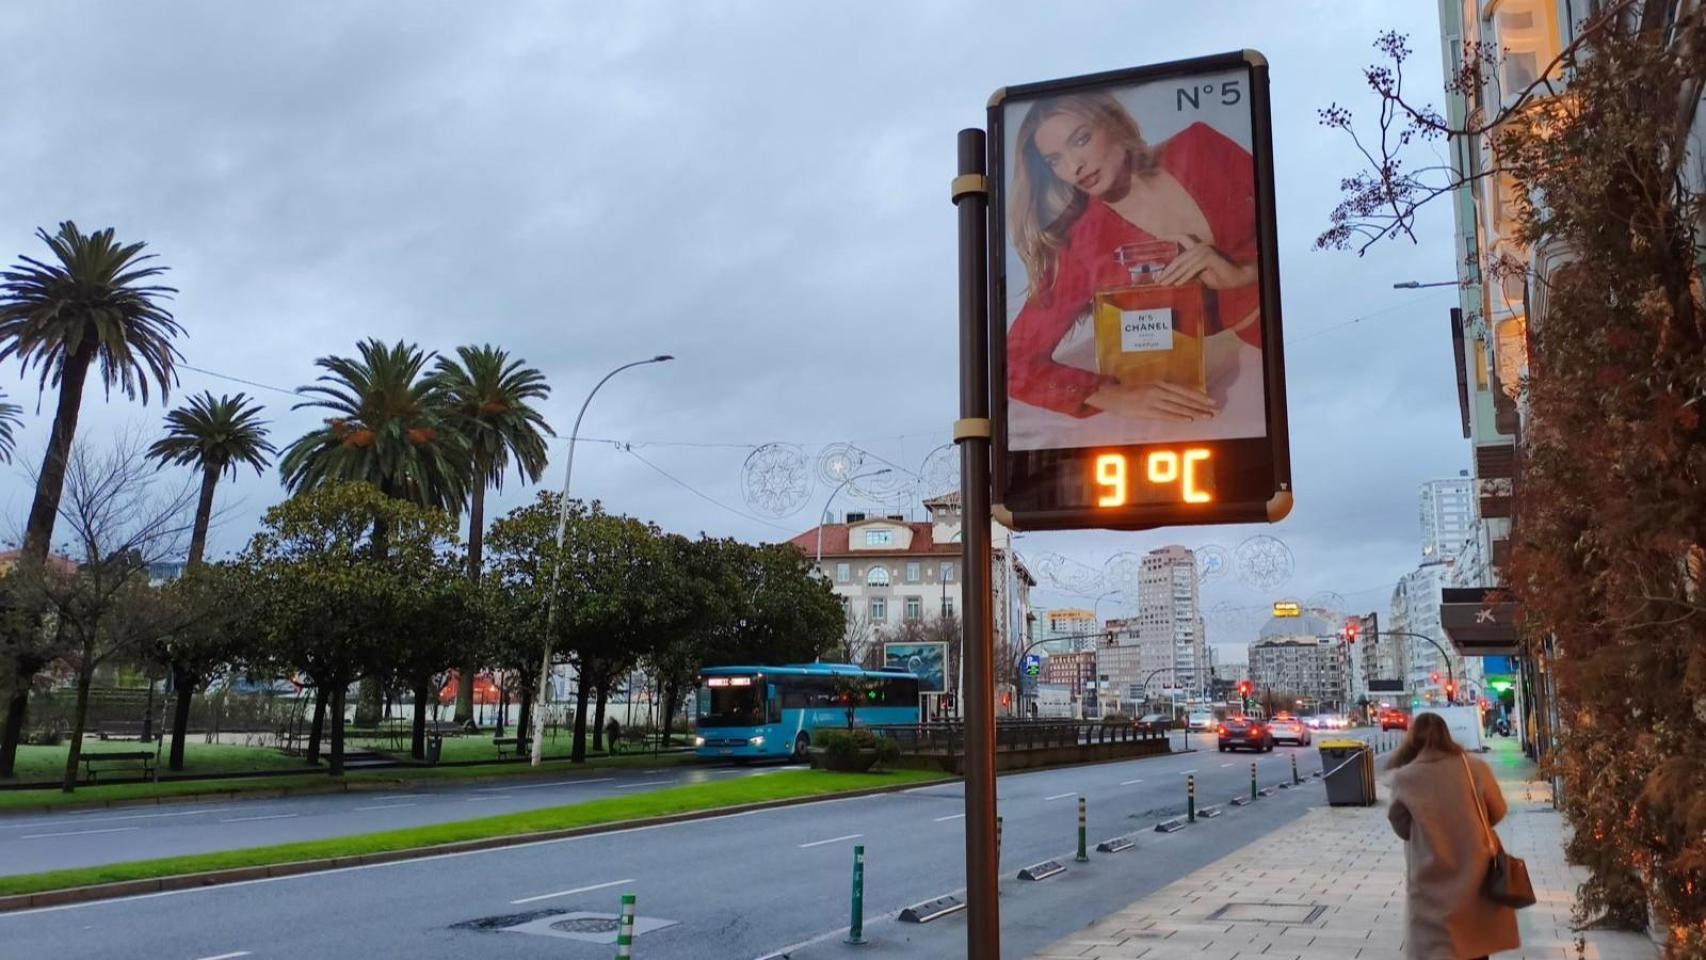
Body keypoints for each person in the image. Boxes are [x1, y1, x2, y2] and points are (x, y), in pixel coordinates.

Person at [1007, 91, 1261, 423]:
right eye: (1055, 160)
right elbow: (1014, 364)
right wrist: (1112, 396)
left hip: (1295, 342)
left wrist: (1242, 274)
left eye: (1081, 139)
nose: (1074, 167)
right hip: (1226, 394)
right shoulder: (1079, 246)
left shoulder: (1200, 147)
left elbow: (1289, 230)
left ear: (1113, 122)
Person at [1386, 713, 1521, 959]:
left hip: (1429, 882)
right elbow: (1498, 811)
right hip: (1475, 876)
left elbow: (1401, 828)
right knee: (1474, 945)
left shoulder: (1404, 778)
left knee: (1436, 949)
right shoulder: (1474, 768)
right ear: (1447, 735)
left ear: (1412, 740)